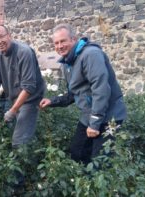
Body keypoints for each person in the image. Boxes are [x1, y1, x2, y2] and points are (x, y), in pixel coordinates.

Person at [39, 23, 127, 164]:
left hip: (108, 117)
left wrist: (95, 123)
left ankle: (99, 184)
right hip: (89, 115)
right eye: (56, 43)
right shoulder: (67, 62)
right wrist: (52, 101)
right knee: (77, 153)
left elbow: (101, 89)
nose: (59, 46)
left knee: (100, 161)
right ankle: (84, 183)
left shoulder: (90, 55)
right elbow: (74, 93)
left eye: (63, 41)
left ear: (73, 39)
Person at [0, 25, 45, 147]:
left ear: (9, 35)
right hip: (14, 97)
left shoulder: (24, 52)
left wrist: (13, 110)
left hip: (30, 98)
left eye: (1, 36)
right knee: (11, 132)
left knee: (19, 140)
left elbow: (28, 87)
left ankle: (25, 162)